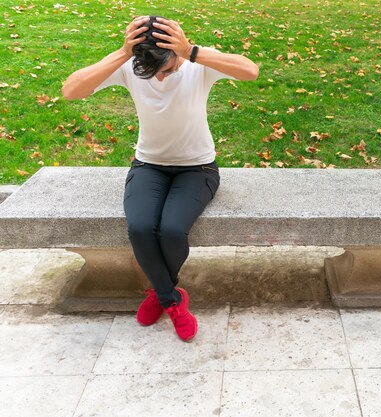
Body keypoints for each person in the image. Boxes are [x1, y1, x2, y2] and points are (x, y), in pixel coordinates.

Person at [62, 16, 259, 342]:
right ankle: (173, 299)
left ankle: (158, 292)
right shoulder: (131, 66)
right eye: (153, 72)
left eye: (169, 69)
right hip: (148, 167)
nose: (162, 77)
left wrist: (191, 51)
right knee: (140, 228)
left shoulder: (197, 64)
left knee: (171, 230)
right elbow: (71, 90)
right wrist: (122, 53)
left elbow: (250, 71)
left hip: (198, 169)